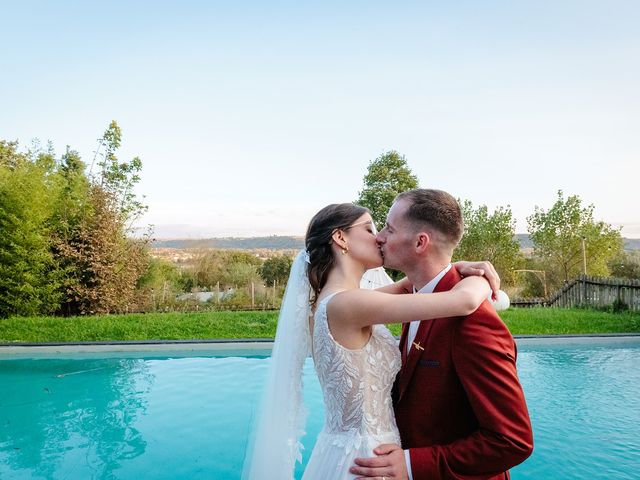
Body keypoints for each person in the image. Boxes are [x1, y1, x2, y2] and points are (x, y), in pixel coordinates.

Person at [242, 202, 500, 480]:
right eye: (369, 229)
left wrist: (456, 267)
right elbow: (463, 301)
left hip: (350, 450)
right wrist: (487, 278)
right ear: (340, 238)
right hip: (368, 457)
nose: (378, 237)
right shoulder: (349, 304)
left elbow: (410, 286)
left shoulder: (330, 302)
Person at [350, 189, 534, 480]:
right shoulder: (417, 296)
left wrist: (412, 465)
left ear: (421, 242)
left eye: (390, 228)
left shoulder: (474, 323)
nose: (380, 237)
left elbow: (513, 441)